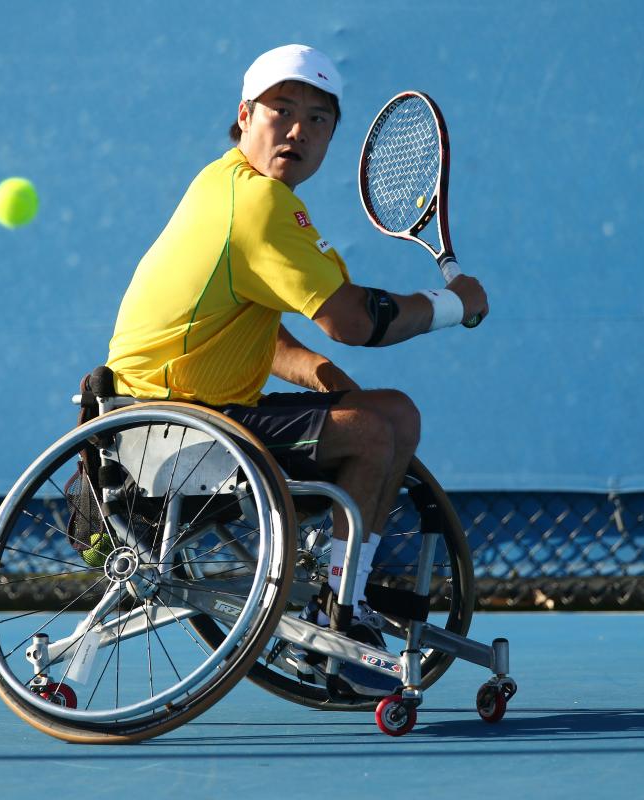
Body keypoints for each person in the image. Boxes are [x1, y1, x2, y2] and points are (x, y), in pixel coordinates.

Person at [105, 44, 488, 694]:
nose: (297, 130)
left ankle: (346, 595)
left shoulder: (220, 183)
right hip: (179, 434)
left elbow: (251, 328)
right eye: (282, 110)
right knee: (373, 429)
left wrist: (317, 374)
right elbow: (355, 320)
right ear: (245, 115)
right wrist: (455, 305)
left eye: (318, 119)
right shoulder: (259, 207)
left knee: (392, 413)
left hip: (167, 422)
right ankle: (339, 614)